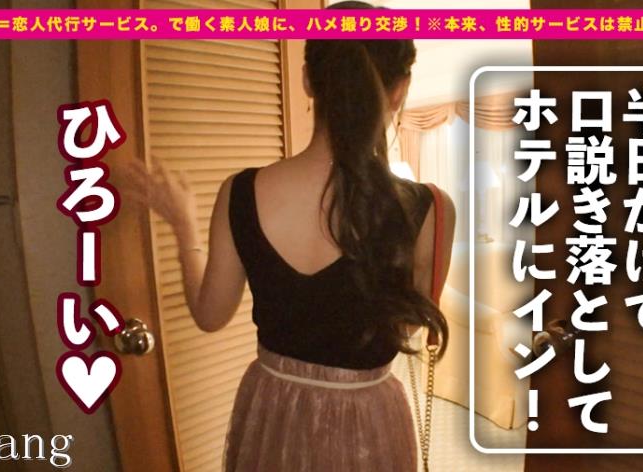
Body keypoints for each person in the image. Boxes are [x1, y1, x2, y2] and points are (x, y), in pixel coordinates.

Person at [121, 2, 455, 470]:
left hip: (273, 412)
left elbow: (210, 314)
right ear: (400, 90)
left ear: (307, 81)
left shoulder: (239, 192)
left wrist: (183, 224)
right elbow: (406, 326)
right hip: (369, 417)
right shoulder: (431, 208)